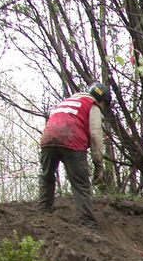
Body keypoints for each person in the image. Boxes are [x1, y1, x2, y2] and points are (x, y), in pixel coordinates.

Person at [38, 82, 111, 229]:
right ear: (102, 100)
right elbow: (96, 134)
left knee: (47, 176)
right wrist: (99, 164)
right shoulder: (92, 104)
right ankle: (87, 222)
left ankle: (43, 211)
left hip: (48, 137)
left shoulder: (67, 101)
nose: (103, 108)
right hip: (72, 140)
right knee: (80, 183)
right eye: (104, 105)